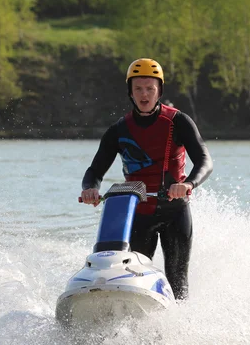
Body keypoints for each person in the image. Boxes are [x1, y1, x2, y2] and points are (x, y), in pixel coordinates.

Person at [79, 58, 213, 301]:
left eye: (150, 88)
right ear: (130, 92)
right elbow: (94, 171)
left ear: (159, 90)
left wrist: (188, 184)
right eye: (138, 88)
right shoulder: (118, 130)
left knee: (178, 279)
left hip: (175, 212)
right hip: (139, 214)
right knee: (133, 277)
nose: (144, 94)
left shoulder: (178, 121)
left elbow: (205, 160)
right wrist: (90, 188)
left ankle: (180, 329)